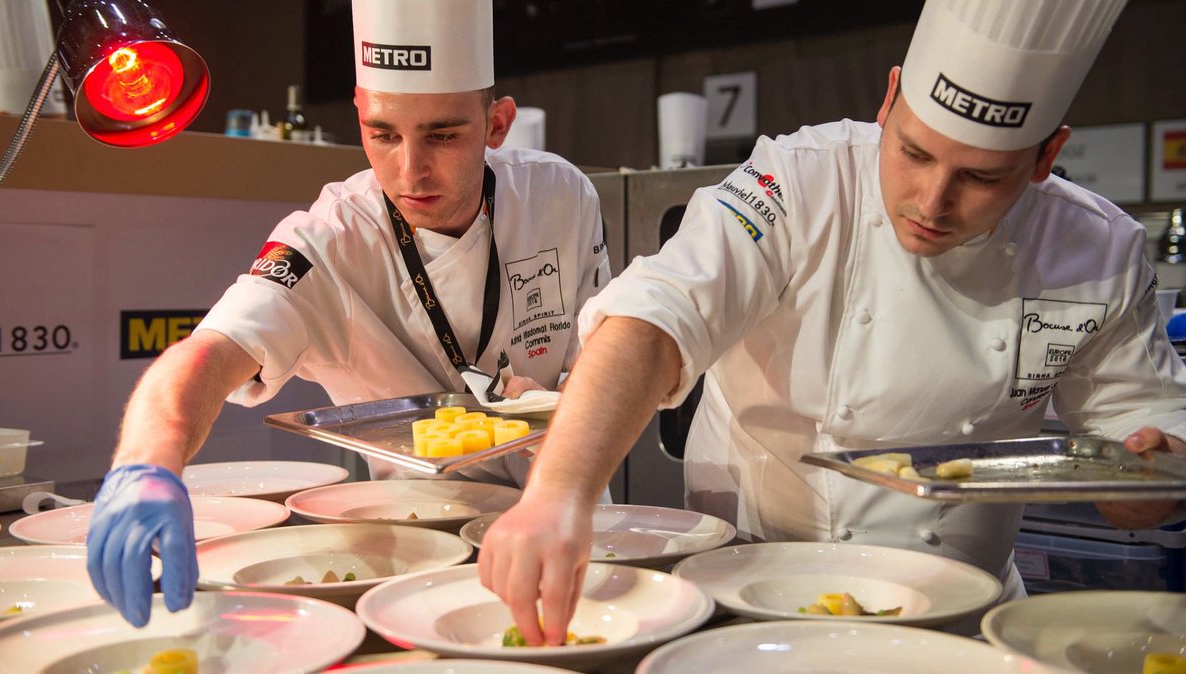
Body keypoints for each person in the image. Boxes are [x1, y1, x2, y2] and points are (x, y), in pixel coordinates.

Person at [480, 0, 1186, 646]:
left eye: (981, 178)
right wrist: (561, 494)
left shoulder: (1098, 251)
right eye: (913, 152)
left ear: (1045, 158)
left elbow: (1139, 474)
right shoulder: (799, 179)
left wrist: (1149, 474)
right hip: (750, 594)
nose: (932, 200)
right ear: (887, 101)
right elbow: (655, 319)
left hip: (962, 623)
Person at [86, 0, 611, 628]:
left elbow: (603, 361)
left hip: (575, 531)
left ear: (497, 124)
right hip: (418, 548)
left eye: (443, 135)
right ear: (360, 113)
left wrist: (562, 421)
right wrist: (147, 461)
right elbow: (206, 356)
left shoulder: (561, 196)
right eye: (383, 135)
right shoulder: (328, 242)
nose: (409, 170)